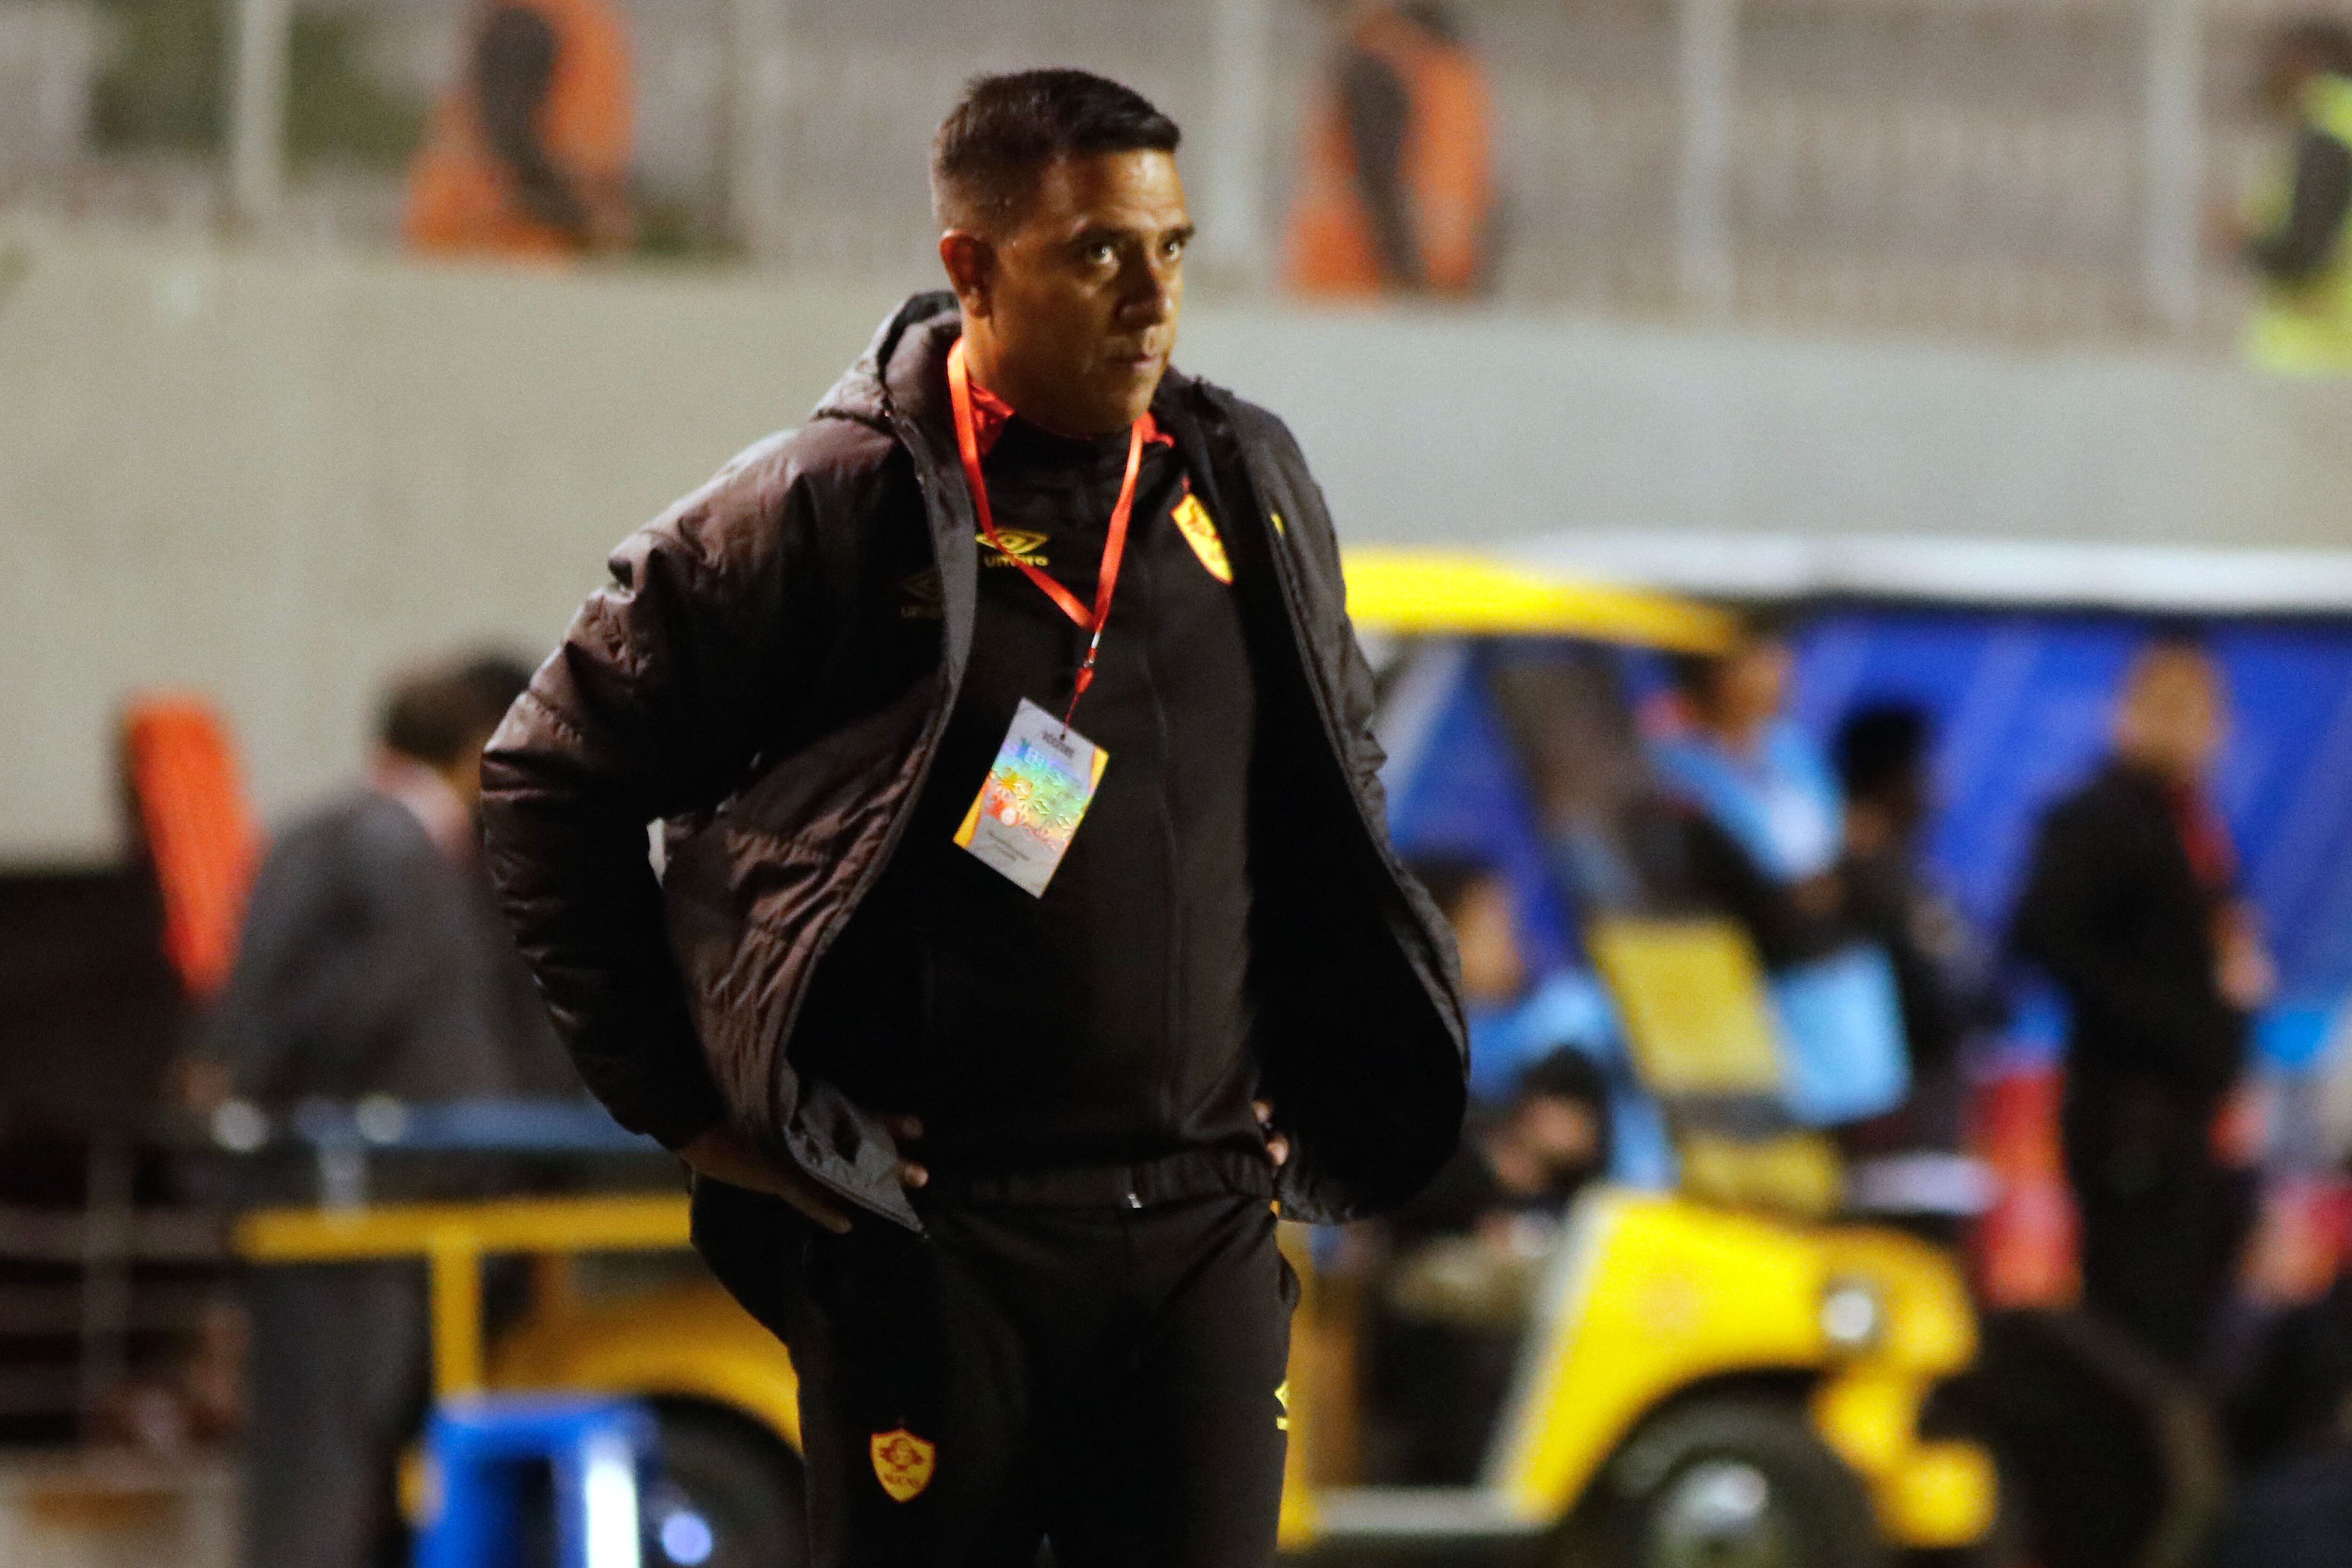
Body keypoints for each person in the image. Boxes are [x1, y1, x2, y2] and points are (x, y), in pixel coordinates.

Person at [479, 70, 1466, 1568]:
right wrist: (693, 1110)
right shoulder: (827, 506)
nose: (1151, 297)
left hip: (1202, 1217)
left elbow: (1336, 767)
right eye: (1097, 252)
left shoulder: (1244, 477)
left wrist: (1308, 1044)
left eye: (1172, 249)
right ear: (973, 267)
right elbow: (550, 779)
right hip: (940, 1239)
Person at [205, 653, 572, 1568]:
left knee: (392, 1467)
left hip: (430, 1214)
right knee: (324, 1470)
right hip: (351, 1215)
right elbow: (261, 1027)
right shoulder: (343, 846)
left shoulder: (456, 860)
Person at [2014, 636, 2271, 1373]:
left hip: (2193, 1110)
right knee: (2135, 1311)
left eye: (2201, 707)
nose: (2187, 725)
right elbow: (2045, 937)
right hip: (2132, 1109)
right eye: (2167, 705)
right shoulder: (2097, 817)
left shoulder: (2190, 820)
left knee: (2196, 1308)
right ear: (2126, 711)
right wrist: (2178, 1023)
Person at [1646, 625, 1910, 1130]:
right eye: (1761, 659)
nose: (1781, 673)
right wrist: (1815, 891)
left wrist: (1829, 887)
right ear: (1717, 671)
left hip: (1846, 993)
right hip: (1761, 1001)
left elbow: (1844, 860)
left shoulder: (1791, 751)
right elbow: (1749, 893)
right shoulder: (1673, 769)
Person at [1369, 1050, 1611, 1482]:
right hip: (1432, 1351)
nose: (1581, 1129)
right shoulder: (1462, 1159)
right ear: (1535, 1108)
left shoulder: (1579, 1192)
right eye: (1572, 1112)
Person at [1284, 2, 1497, 298]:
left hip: (1360, 283)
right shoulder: (1449, 68)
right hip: (1440, 281)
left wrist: (1410, 279)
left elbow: (1380, 183)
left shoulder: (1376, 68)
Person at [403, 0, 634, 258]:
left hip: (507, 244)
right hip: (487, 244)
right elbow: (507, 137)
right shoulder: (530, 17)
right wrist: (582, 217)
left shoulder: (568, 16)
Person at [2237, 21, 2352, 373]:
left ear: (2302, 65)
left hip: (2314, 354)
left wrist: (2243, 239)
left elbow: (2303, 251)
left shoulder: (2331, 129)